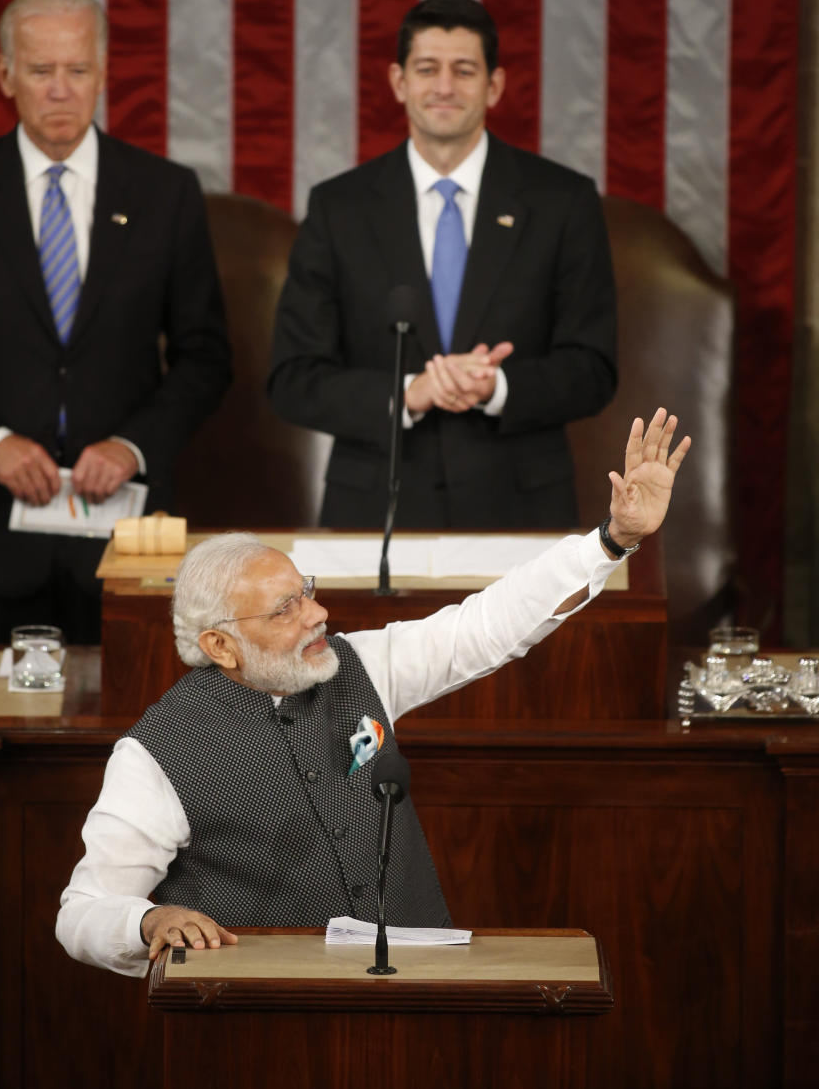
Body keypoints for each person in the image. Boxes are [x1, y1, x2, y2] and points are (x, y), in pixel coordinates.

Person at [56, 408, 689, 976]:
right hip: (267, 1023)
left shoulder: (358, 665)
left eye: (306, 591)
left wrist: (613, 539)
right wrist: (147, 923)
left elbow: (487, 624)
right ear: (220, 646)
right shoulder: (154, 755)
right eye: (284, 610)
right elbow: (81, 913)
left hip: (415, 994)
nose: (316, 615)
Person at [0, 0, 231, 645]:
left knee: (135, 740)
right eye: (42, 71)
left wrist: (132, 446)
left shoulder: (165, 193)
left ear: (103, 72)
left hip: (127, 543)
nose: (61, 90)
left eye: (77, 70)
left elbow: (206, 356)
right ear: (7, 74)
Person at [268, 0, 617, 531]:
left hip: (520, 511)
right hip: (375, 515)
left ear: (494, 85)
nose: (445, 87)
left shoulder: (562, 202)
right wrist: (410, 391)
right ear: (398, 81)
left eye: (464, 70)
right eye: (427, 68)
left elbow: (593, 368)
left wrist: (496, 388)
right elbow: (294, 378)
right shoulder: (340, 207)